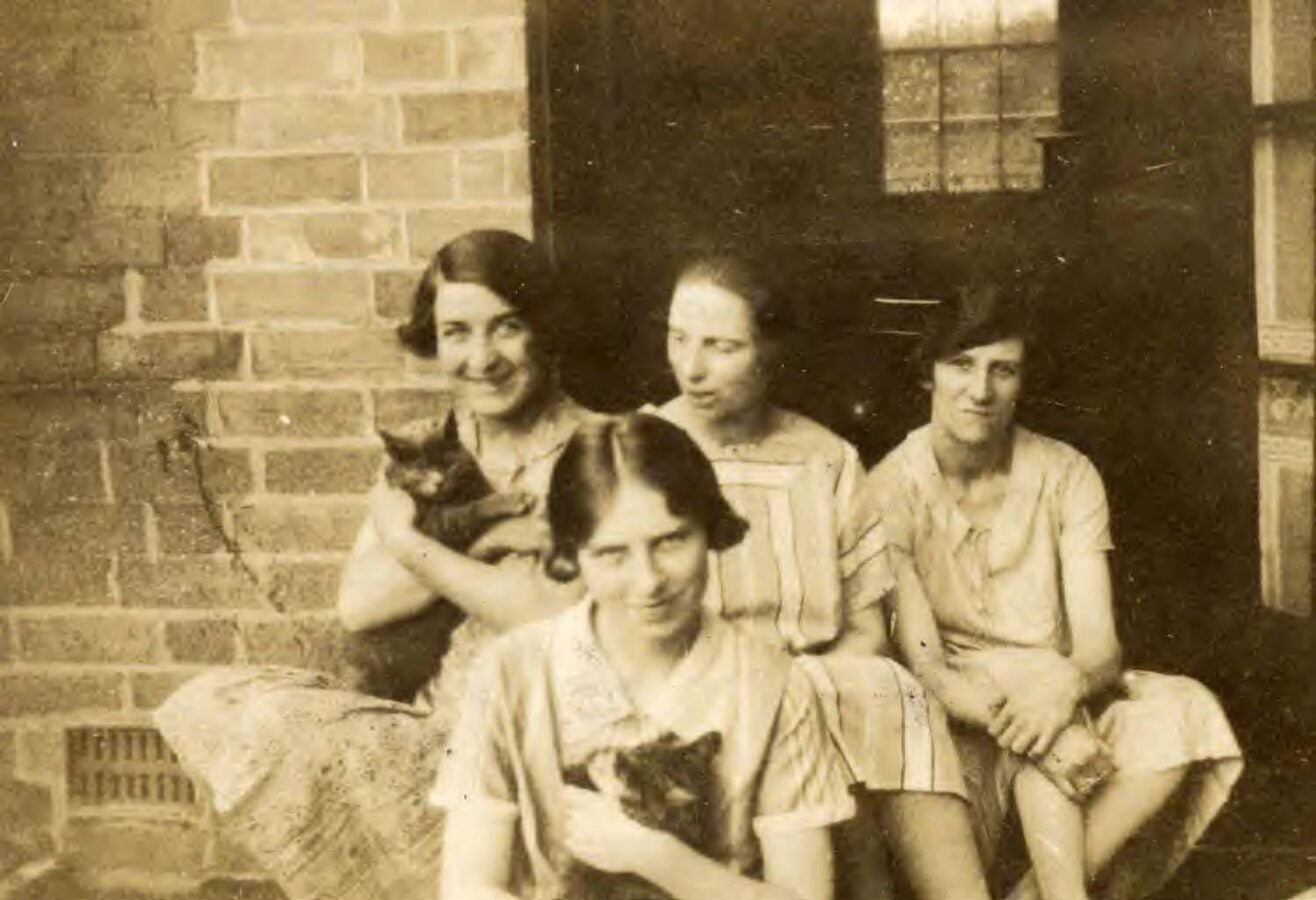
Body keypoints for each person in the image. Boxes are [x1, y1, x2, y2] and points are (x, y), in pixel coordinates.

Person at [155, 230, 591, 900]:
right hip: (438, 726)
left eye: (506, 328)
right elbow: (360, 605)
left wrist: (409, 544)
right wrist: (480, 543)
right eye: (456, 332)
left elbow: (546, 611)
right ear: (433, 340)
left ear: (548, 330)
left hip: (547, 740)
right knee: (215, 705)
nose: (481, 359)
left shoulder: (606, 448)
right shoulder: (426, 451)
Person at [863, 284, 1243, 900]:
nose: (980, 390)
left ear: (1022, 380)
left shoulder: (1067, 475)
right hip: (958, 707)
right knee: (1035, 741)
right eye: (960, 365)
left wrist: (1059, 692)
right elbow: (927, 665)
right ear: (926, 374)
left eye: (1002, 370)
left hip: (1060, 690)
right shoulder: (887, 490)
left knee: (1185, 709)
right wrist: (1029, 722)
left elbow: (1098, 647)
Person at [650, 256, 991, 899]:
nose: (691, 368)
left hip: (816, 677)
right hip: (688, 688)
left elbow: (867, 629)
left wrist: (794, 682)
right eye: (678, 338)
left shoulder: (827, 460)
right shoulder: (637, 450)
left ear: (770, 350)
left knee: (885, 686)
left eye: (721, 347)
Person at [436, 413, 856, 900]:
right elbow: (468, 884)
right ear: (573, 556)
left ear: (709, 530)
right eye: (613, 554)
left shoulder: (774, 685)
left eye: (671, 541)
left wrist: (654, 856)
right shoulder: (509, 672)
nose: (648, 581)